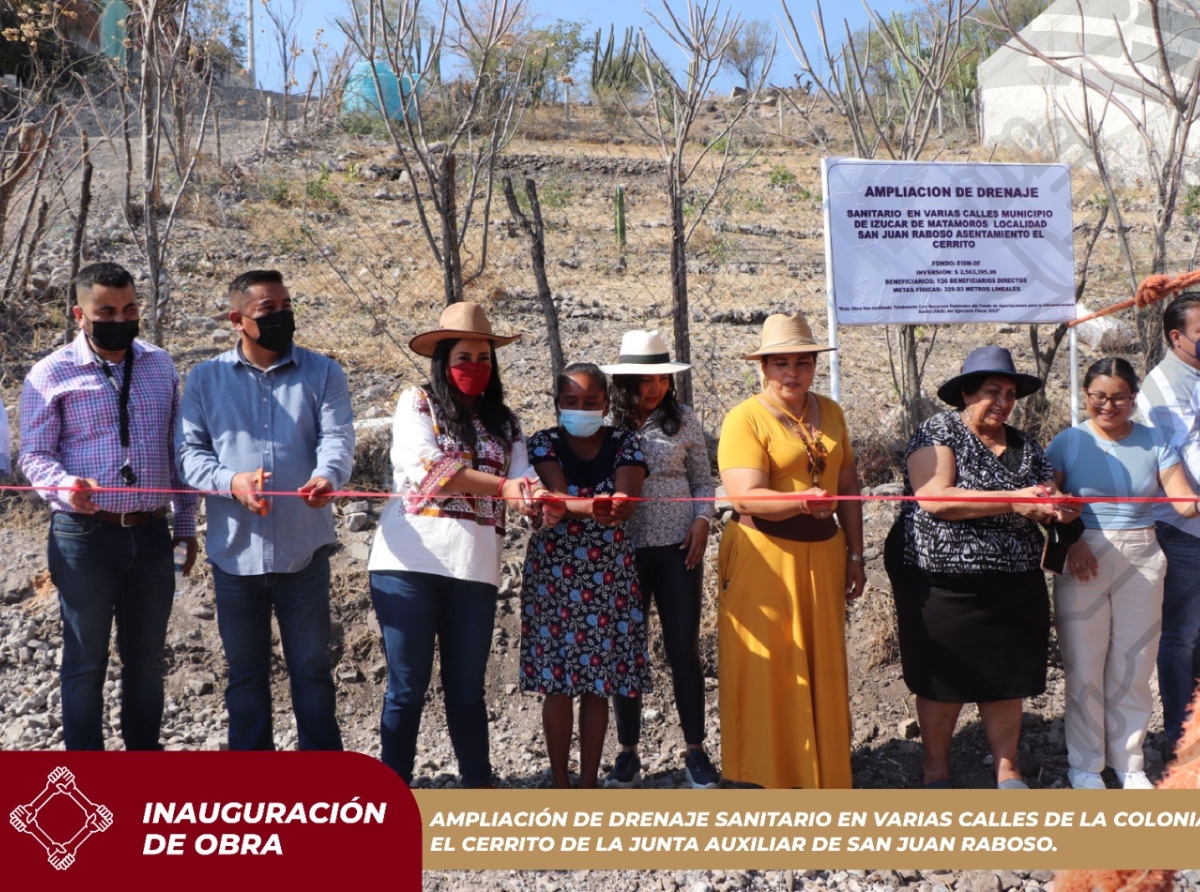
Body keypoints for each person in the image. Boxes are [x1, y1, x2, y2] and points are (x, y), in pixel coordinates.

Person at [368, 302, 562, 788]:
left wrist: (542, 503)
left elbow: (524, 481)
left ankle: (478, 785)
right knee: (407, 688)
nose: (475, 367)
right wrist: (504, 490)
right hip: (407, 563)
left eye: (484, 357)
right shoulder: (418, 403)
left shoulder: (507, 423)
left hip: (475, 568)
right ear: (442, 360)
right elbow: (428, 467)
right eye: (464, 357)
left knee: (467, 690)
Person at [19, 261, 198, 750]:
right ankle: (86, 775)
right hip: (85, 536)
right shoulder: (49, 373)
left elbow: (176, 448)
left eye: (130, 309)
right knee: (85, 659)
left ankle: (143, 764)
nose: (120, 319)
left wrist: (185, 522)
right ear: (81, 314)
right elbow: (33, 453)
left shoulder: (161, 364)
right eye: (107, 311)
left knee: (147, 659)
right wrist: (63, 486)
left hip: (151, 534)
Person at [884, 345, 1079, 789]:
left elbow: (1047, 495)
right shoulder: (938, 431)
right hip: (940, 580)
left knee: (1006, 674)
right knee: (941, 675)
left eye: (1011, 393)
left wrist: (1058, 511)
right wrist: (1011, 501)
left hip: (1013, 582)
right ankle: (936, 767)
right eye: (993, 391)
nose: (1004, 402)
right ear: (966, 393)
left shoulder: (1026, 444)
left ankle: (1006, 767)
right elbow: (935, 498)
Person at [176, 269, 354, 751]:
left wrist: (327, 477)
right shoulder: (205, 379)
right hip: (235, 556)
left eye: (286, 306)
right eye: (267, 310)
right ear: (237, 320)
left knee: (313, 672)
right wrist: (230, 482)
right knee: (246, 677)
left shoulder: (323, 372)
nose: (281, 317)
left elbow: (337, 439)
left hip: (304, 552)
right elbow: (190, 455)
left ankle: (322, 785)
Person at [717, 312, 864, 789]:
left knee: (821, 666)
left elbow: (848, 483)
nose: (793, 372)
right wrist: (799, 500)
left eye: (803, 362)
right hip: (764, 557)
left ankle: (822, 778)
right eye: (781, 362)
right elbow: (743, 495)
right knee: (769, 670)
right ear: (763, 367)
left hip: (824, 556)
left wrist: (857, 555)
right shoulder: (745, 418)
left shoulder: (832, 411)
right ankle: (765, 782)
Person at [1048, 357, 1198, 790]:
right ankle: (1085, 766)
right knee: (1083, 664)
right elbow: (1051, 503)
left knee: (1133, 664)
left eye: (1119, 397)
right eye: (1099, 396)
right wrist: (1074, 541)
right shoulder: (1068, 442)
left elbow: (1183, 501)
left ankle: (1129, 764)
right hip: (1083, 556)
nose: (1108, 406)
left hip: (1144, 555)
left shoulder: (1156, 442)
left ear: (1134, 398)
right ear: (1086, 395)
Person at [520, 362, 649, 788]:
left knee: (598, 683)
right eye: (570, 401)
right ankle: (561, 783)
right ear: (557, 404)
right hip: (555, 573)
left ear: (607, 404)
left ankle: (589, 782)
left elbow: (627, 500)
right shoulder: (542, 444)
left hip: (608, 574)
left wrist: (615, 505)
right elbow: (553, 498)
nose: (580, 408)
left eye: (591, 402)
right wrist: (593, 505)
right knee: (556, 684)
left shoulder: (626, 443)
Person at [601, 330, 719, 789]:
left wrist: (703, 520)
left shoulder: (683, 420)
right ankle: (628, 753)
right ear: (626, 380)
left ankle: (696, 751)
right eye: (646, 379)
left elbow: (703, 478)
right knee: (626, 652)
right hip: (623, 550)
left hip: (678, 550)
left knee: (682, 649)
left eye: (663, 378)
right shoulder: (606, 424)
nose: (656, 387)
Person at [1136, 290, 1200, 755]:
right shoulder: (1161, 385)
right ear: (1177, 336)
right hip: (1183, 529)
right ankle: (1183, 739)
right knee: (1181, 635)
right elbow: (1185, 454)